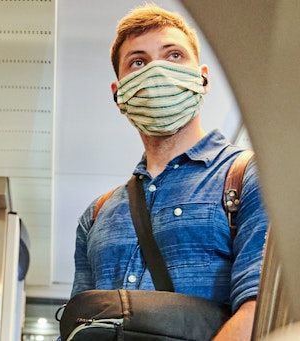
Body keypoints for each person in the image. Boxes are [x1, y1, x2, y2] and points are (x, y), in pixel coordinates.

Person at [70, 4, 269, 341]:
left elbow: (258, 308)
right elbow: (80, 322)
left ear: (201, 78)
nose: (157, 71)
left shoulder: (247, 177)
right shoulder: (97, 214)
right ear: (119, 95)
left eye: (174, 55)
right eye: (138, 62)